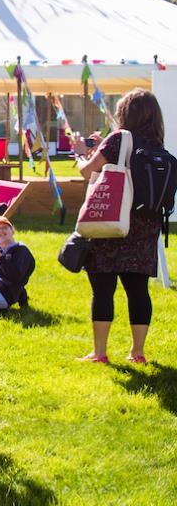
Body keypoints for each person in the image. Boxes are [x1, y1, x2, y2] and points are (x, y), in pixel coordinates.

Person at [71, 88, 165, 364]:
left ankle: (99, 353)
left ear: (126, 113)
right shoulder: (156, 144)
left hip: (111, 222)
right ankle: (138, 353)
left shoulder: (118, 139)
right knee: (138, 290)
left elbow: (88, 171)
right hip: (145, 227)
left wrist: (81, 154)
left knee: (102, 289)